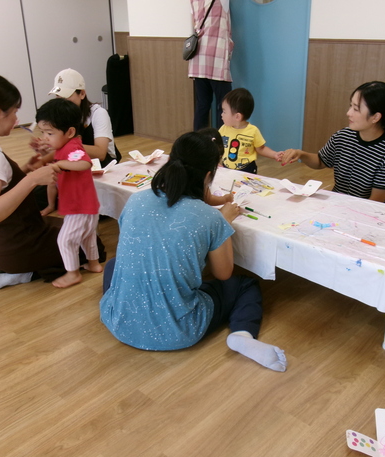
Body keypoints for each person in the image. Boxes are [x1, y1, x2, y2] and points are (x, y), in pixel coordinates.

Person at [100, 132, 287, 372]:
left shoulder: (137, 200)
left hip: (118, 321)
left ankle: (125, 304)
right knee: (245, 285)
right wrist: (223, 221)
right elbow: (223, 273)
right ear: (208, 176)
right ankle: (242, 334)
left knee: (114, 265)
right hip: (180, 330)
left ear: (170, 162)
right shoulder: (210, 218)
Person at [0, 73, 104, 290]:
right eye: (14, 113)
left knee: (73, 230)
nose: (16, 120)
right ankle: (22, 273)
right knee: (91, 243)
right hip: (15, 247)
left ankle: (8, 266)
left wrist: (25, 169)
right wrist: (33, 179)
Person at [280, 81, 385, 204]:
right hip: (339, 204)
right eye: (350, 106)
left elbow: (374, 203)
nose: (348, 113)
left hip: (367, 211)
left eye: (356, 109)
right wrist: (301, 154)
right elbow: (321, 161)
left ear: (375, 117)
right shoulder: (343, 135)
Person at [35, 98, 103, 288]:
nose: (45, 137)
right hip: (86, 204)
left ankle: (73, 274)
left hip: (79, 206)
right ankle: (94, 264)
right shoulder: (64, 146)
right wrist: (45, 154)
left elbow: (84, 163)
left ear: (70, 132)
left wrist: (59, 165)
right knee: (87, 236)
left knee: (65, 240)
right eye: (42, 132)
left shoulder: (73, 148)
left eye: (50, 133)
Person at [44, 68, 121, 166]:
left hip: (104, 167)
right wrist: (46, 150)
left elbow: (101, 153)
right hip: (75, 165)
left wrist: (65, 144)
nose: (61, 102)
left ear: (82, 94)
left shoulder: (98, 113)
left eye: (66, 96)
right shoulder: (59, 115)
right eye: (58, 96)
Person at [188, 0, 233, 131]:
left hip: (198, 59)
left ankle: (198, 140)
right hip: (217, 58)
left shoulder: (193, 1)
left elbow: (193, 25)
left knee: (202, 105)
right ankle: (221, 140)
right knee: (224, 106)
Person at [219, 88, 282, 174]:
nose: (221, 114)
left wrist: (274, 154)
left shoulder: (253, 131)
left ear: (237, 116)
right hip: (227, 168)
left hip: (247, 170)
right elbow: (217, 147)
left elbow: (261, 149)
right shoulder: (223, 128)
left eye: (224, 111)